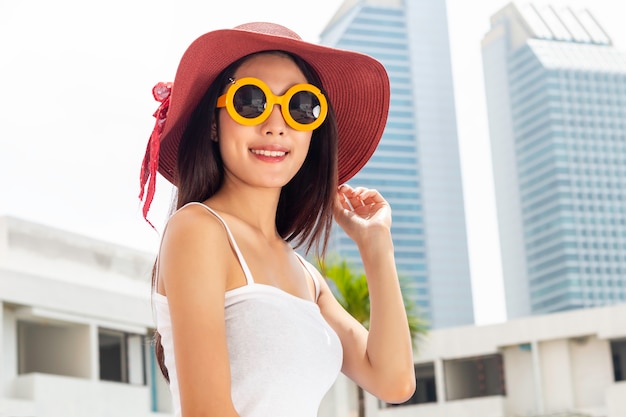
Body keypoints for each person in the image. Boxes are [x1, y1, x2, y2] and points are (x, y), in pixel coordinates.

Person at [138, 22, 415, 417]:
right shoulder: (198, 229)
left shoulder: (305, 276)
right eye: (250, 101)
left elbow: (394, 380)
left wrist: (376, 247)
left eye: (301, 107)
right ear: (214, 123)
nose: (276, 124)